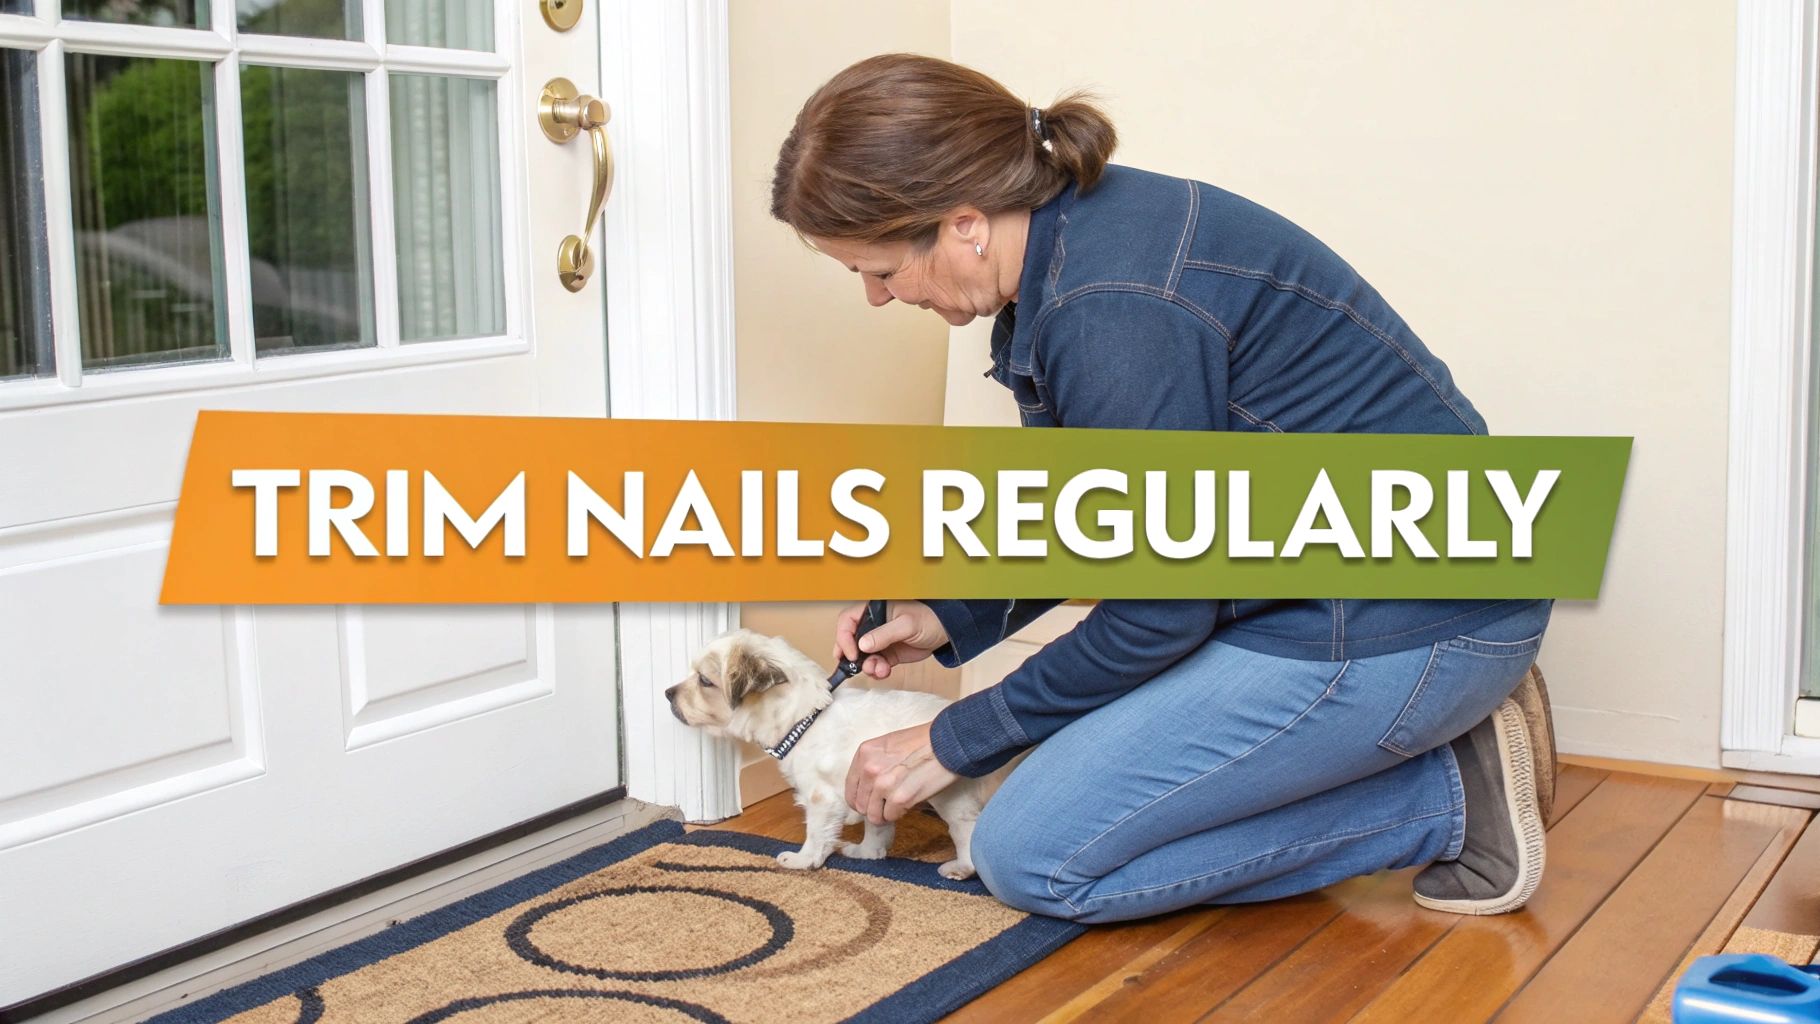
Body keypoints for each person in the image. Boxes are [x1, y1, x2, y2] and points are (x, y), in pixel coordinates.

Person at [771, 53, 1556, 923]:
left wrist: (949, 737)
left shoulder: (1113, 307)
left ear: (963, 224)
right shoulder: (1081, 239)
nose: (880, 298)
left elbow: (1161, 608)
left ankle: (1446, 803)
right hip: (1338, 593)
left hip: (1401, 622)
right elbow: (1116, 517)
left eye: (879, 270)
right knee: (1065, 774)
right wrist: (951, 613)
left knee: (1032, 856)